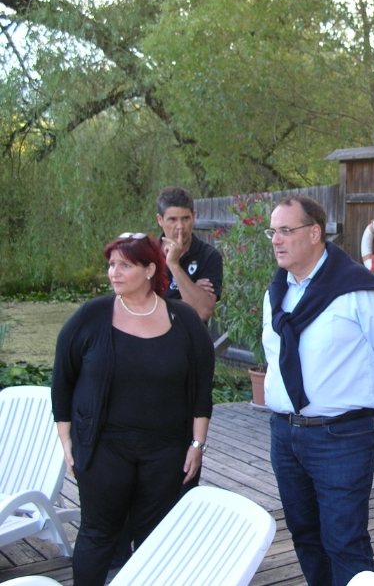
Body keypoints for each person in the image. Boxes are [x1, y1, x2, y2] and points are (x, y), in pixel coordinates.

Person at [262, 195, 374, 586]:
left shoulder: (359, 290)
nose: (276, 239)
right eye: (272, 231)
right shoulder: (276, 293)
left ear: (314, 233)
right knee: (304, 532)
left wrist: (357, 393)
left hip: (342, 435)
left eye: (286, 230)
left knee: (345, 540)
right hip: (284, 433)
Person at [51, 233, 215, 586]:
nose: (114, 272)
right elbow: (62, 379)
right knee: (98, 533)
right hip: (104, 447)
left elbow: (203, 387)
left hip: (167, 451)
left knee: (157, 538)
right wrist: (67, 440)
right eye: (112, 265)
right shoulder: (91, 316)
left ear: (150, 269)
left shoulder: (184, 320)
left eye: (125, 265)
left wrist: (197, 445)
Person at [157, 186, 223, 322]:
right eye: (172, 220)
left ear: (194, 216)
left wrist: (173, 264)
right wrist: (192, 295)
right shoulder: (147, 255)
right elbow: (136, 309)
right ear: (160, 220)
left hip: (190, 335)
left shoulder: (209, 256)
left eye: (185, 218)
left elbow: (202, 311)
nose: (180, 226)